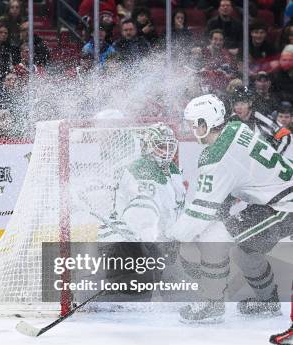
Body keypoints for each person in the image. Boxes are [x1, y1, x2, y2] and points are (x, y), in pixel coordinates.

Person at [168, 94, 293, 322]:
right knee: (243, 248)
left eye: (193, 124)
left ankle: (213, 305)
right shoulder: (235, 127)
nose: (190, 129)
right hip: (279, 200)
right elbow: (237, 179)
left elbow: (201, 212)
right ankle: (268, 303)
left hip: (285, 206)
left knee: (215, 236)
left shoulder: (216, 157)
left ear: (205, 124)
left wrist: (172, 238)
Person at [98, 124, 185, 242]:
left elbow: (177, 206)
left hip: (162, 237)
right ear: (147, 146)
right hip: (132, 237)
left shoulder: (173, 170)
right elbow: (144, 213)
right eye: (162, 146)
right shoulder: (141, 168)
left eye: (170, 147)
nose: (167, 152)